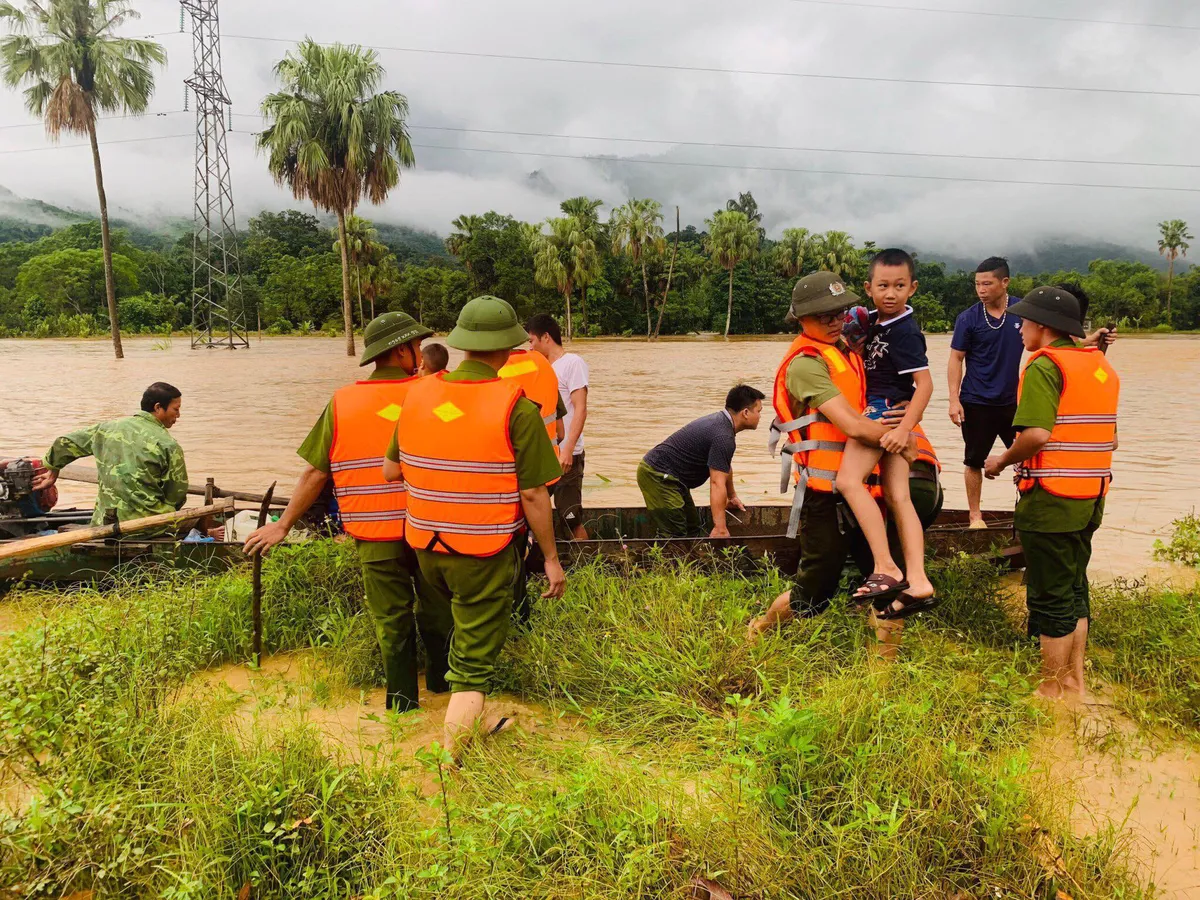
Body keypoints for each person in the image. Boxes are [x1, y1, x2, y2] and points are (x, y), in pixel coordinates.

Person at [243, 312, 451, 714]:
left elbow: (315, 471)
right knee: (438, 611)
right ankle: (443, 688)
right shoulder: (434, 392)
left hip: (374, 535)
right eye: (417, 346)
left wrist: (282, 525)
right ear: (404, 349)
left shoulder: (343, 401)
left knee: (393, 622)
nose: (420, 354)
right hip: (429, 528)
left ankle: (403, 705)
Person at [389, 296, 565, 758]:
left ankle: (458, 716)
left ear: (463, 344)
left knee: (460, 629)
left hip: (425, 546)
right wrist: (550, 558)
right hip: (482, 551)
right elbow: (533, 495)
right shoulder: (516, 407)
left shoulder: (418, 393)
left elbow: (392, 471)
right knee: (472, 661)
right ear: (509, 349)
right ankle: (452, 761)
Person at [747, 272, 924, 640]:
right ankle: (760, 628)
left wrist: (904, 421)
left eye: (839, 313)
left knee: (888, 581)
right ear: (799, 318)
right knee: (815, 590)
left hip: (866, 488)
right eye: (823, 316)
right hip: (825, 494)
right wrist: (901, 440)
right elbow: (854, 426)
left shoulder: (848, 346)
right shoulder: (805, 364)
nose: (833, 321)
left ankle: (884, 675)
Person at [983, 287, 1119, 701]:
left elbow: (1038, 435)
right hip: (1091, 494)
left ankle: (1051, 687)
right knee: (1074, 586)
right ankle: (1075, 680)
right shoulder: (1097, 366)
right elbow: (1109, 438)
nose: (1020, 328)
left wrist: (1001, 461)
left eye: (1024, 321)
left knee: (1050, 593)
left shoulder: (1045, 366)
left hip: (1052, 497)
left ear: (1042, 326)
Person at [836, 248, 936, 618]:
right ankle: (919, 578)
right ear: (869, 287)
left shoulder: (906, 330)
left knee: (848, 481)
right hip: (884, 412)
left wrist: (905, 428)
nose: (890, 293)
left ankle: (886, 567)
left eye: (899, 286)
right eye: (882, 286)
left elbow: (924, 385)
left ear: (913, 288)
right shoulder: (871, 320)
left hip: (882, 411)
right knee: (898, 496)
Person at [33, 382, 189, 528]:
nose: (179, 415)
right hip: (147, 524)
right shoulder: (168, 444)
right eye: (176, 409)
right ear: (158, 407)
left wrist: (53, 470)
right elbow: (177, 494)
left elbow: (65, 443)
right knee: (199, 520)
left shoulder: (107, 428)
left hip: (105, 521)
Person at [948, 257, 1025, 530]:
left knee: (1025, 461)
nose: (981, 289)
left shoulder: (1022, 311)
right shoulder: (967, 318)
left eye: (987, 283)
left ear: (1005, 283)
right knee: (973, 460)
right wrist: (954, 399)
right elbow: (956, 359)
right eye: (977, 284)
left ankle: (1026, 512)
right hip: (975, 401)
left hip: (1012, 402)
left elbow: (1054, 338)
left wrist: (1088, 342)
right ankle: (975, 516)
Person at [637, 385, 764, 538]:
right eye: (759, 411)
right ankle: (660, 560)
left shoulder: (723, 427)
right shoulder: (723, 436)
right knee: (675, 533)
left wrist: (732, 496)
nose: (760, 416)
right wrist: (720, 528)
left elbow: (724, 467)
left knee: (692, 529)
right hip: (657, 475)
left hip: (675, 479)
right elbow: (717, 483)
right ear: (745, 413)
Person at [526, 313, 590, 540]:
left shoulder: (572, 363)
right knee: (532, 512)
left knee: (570, 517)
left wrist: (568, 449)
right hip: (544, 456)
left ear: (545, 338)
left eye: (531, 341)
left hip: (566, 455)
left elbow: (580, 409)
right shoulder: (539, 368)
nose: (530, 347)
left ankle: (586, 564)